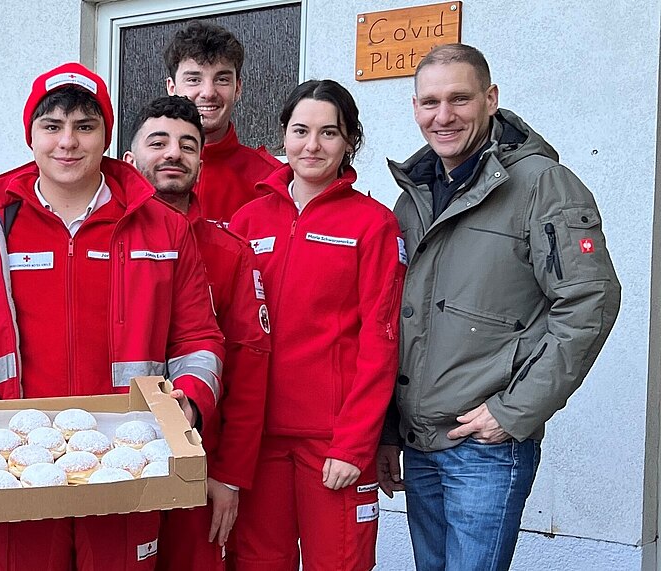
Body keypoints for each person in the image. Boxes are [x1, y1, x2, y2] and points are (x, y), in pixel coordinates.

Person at [0, 62, 224, 570]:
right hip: (18, 463)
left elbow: (198, 338)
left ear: (106, 137)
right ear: (31, 136)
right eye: (52, 126)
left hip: (127, 462)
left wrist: (190, 403)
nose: (67, 142)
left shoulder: (162, 226)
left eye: (84, 127)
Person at [376, 44, 621, 571]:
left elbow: (589, 301)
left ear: (490, 99)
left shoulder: (540, 185)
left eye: (460, 99)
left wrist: (513, 411)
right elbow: (402, 319)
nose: (443, 116)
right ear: (415, 107)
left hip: (484, 447)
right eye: (430, 102)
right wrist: (391, 431)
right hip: (422, 445)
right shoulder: (413, 194)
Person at [229, 79, 405, 571]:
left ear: (350, 141)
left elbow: (381, 339)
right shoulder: (248, 220)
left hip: (333, 441)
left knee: (340, 564)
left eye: (329, 133)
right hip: (258, 440)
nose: (312, 145)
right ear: (283, 135)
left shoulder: (373, 225)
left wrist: (354, 442)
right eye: (300, 130)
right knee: (259, 562)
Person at [122, 95, 270, 570]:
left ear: (201, 164)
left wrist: (228, 474)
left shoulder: (229, 253)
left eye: (188, 145)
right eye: (158, 142)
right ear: (129, 160)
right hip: (117, 457)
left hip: (200, 461)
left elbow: (248, 372)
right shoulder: (96, 243)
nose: (173, 154)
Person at [165, 21, 282, 227]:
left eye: (222, 79)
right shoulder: (144, 172)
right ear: (172, 87)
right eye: (194, 80)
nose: (208, 92)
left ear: (238, 88)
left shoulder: (271, 180)